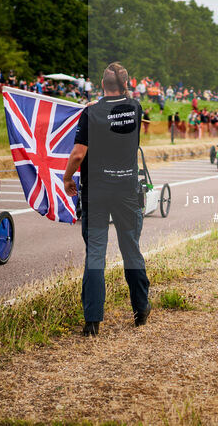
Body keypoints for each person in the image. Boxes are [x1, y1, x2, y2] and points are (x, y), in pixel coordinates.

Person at [62, 62, 150, 337]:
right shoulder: (135, 108)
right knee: (130, 249)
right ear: (126, 85)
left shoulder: (91, 113)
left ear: (101, 85)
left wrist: (67, 179)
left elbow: (78, 154)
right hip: (126, 190)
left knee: (96, 255)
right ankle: (140, 309)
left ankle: (92, 322)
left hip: (96, 192)